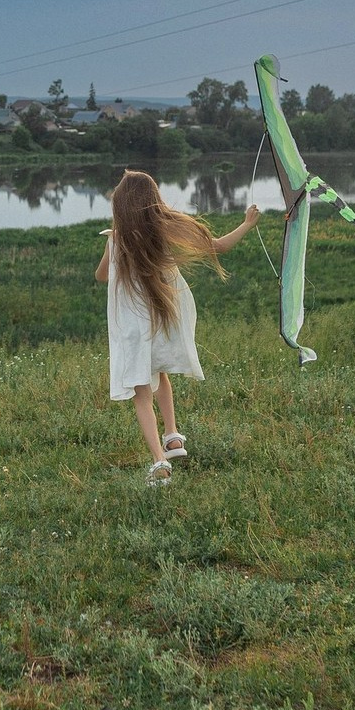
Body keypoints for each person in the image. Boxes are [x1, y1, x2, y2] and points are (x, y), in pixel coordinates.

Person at [95, 169, 260, 487]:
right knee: (161, 376)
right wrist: (247, 224)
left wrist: (113, 250)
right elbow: (219, 246)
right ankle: (172, 436)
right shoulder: (162, 230)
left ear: (121, 205)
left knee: (141, 394)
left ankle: (159, 461)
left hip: (132, 330)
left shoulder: (116, 240)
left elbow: (101, 276)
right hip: (160, 321)